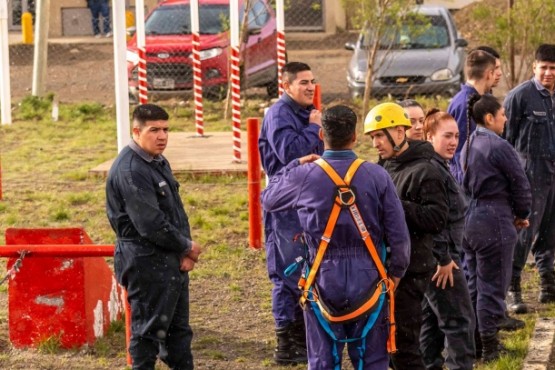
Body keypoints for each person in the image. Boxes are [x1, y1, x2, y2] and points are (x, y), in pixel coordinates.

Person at [262, 105, 410, 369]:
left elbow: (269, 199)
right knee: (372, 361)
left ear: (321, 135)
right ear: (354, 136)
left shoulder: (304, 175)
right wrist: (396, 273)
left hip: (322, 278)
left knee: (322, 361)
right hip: (370, 275)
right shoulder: (377, 175)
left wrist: (295, 164)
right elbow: (398, 234)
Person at [106, 104, 202, 369]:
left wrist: (183, 251)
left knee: (178, 332)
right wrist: (186, 246)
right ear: (136, 131)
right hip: (145, 261)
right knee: (148, 333)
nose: (162, 136)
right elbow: (150, 224)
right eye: (154, 130)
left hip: (167, 259)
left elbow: (175, 212)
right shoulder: (131, 170)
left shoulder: (156, 160)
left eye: (166, 130)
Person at [364, 102, 449, 370]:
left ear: (399, 132)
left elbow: (437, 219)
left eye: (380, 135)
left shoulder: (426, 170)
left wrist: (396, 204)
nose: (376, 143)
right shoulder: (386, 165)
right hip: (388, 268)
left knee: (403, 347)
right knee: (388, 344)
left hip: (412, 269)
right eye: (373, 137)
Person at [258, 61, 324, 365]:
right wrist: (314, 128)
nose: (310, 87)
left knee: (307, 269)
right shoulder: (279, 115)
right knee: (287, 273)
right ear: (286, 86)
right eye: (303, 83)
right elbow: (290, 153)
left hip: (306, 203)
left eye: (312, 81)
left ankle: (303, 338)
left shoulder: (303, 112)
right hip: (285, 205)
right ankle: (286, 344)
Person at [461, 94, 531, 362]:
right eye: (502, 115)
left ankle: (476, 341)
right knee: (492, 285)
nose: (506, 119)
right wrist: (522, 213)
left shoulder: (468, 143)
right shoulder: (499, 145)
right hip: (494, 218)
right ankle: (490, 347)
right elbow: (520, 183)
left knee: (475, 283)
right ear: (489, 118)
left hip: (470, 218)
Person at [419, 110, 475, 369]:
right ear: (430, 137)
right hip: (443, 263)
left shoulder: (440, 165)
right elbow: (434, 221)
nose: (454, 142)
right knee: (460, 322)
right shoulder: (432, 171)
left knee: (431, 320)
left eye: (457, 136)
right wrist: (443, 258)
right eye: (447, 136)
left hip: (439, 258)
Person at [504, 44, 555, 314]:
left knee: (550, 230)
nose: (548, 73)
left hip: (553, 172)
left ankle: (547, 282)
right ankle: (512, 286)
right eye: (543, 67)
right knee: (524, 231)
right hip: (529, 173)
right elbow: (505, 139)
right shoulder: (520, 96)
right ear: (534, 67)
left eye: (553, 68)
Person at [448, 50, 497, 183]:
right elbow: (460, 150)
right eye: (495, 71)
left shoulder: (471, 99)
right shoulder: (466, 104)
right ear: (489, 74)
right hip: (467, 181)